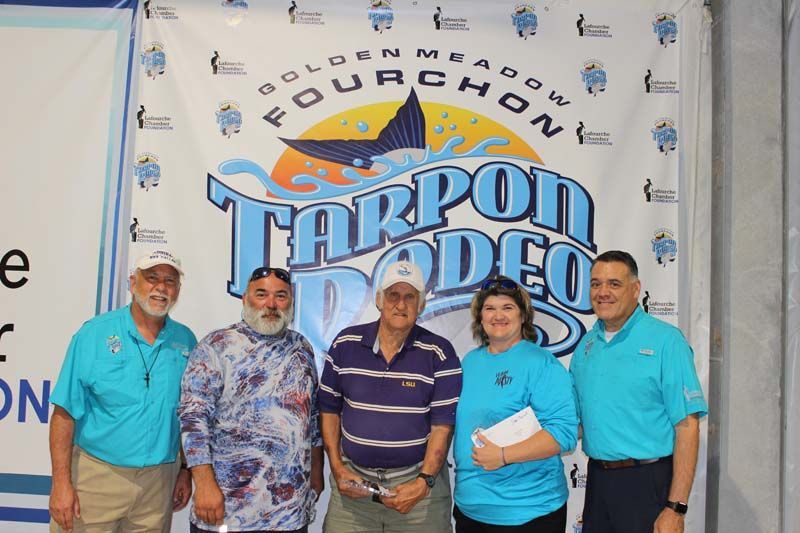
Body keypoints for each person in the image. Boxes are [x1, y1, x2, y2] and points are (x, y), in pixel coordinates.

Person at [49, 250, 196, 533]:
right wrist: (61, 484)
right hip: (96, 477)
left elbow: (188, 415)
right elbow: (64, 414)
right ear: (132, 283)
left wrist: (184, 470)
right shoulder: (94, 334)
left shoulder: (186, 341)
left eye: (169, 281)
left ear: (178, 290)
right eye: (152, 278)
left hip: (158, 483)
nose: (161, 287)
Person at [569, 250, 707, 533]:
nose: (603, 292)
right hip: (598, 481)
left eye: (614, 284)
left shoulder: (667, 341)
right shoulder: (585, 347)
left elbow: (687, 426)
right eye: (595, 284)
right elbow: (578, 422)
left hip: (648, 483)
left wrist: (676, 508)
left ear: (635, 289)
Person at [319, 261, 462, 532]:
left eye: (410, 297)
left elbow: (443, 427)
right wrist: (337, 468)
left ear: (421, 305)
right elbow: (329, 410)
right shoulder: (345, 344)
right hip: (352, 490)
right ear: (379, 300)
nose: (401, 304)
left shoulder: (439, 353)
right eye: (393, 295)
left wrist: (424, 481)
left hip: (419, 491)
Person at [179, 266, 323, 533]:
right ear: (245, 298)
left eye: (280, 296)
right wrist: (204, 483)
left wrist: (316, 469)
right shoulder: (216, 346)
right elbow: (193, 419)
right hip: (226, 510)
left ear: (291, 302)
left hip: (289, 514)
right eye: (261, 294)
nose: (271, 304)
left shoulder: (301, 348)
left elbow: (312, 417)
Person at [453, 276, 577, 532]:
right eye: (490, 308)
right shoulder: (470, 362)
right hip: (471, 509)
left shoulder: (542, 364)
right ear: (480, 317)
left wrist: (503, 456)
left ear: (523, 316)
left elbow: (564, 433)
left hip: (529, 511)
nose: (498, 315)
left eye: (507, 307)